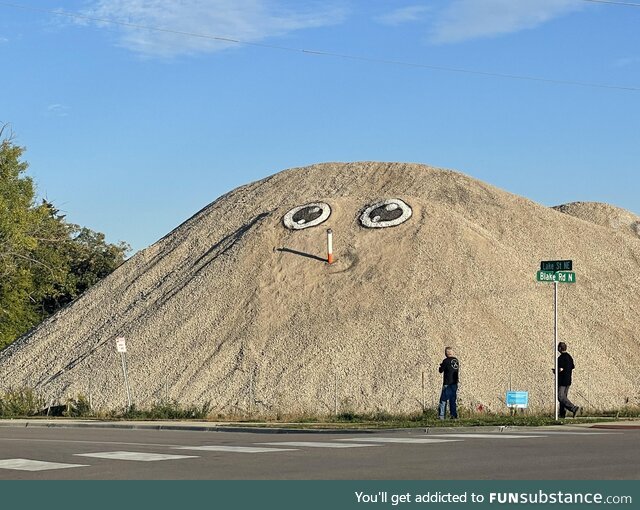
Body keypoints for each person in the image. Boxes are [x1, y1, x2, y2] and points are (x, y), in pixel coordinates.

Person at [554, 341, 580, 418]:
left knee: (560, 397)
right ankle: (562, 414)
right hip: (568, 380)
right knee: (564, 397)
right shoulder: (569, 357)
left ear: (559, 348)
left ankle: (573, 408)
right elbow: (572, 366)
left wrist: (555, 371)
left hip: (562, 380)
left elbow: (560, 369)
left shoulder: (561, 358)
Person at [438, 347, 459, 420]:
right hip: (454, 383)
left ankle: (441, 416)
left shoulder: (445, 361)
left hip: (447, 383)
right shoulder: (456, 360)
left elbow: (441, 370)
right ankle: (453, 416)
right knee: (452, 401)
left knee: (443, 400)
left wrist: (441, 366)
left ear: (446, 353)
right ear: (452, 352)